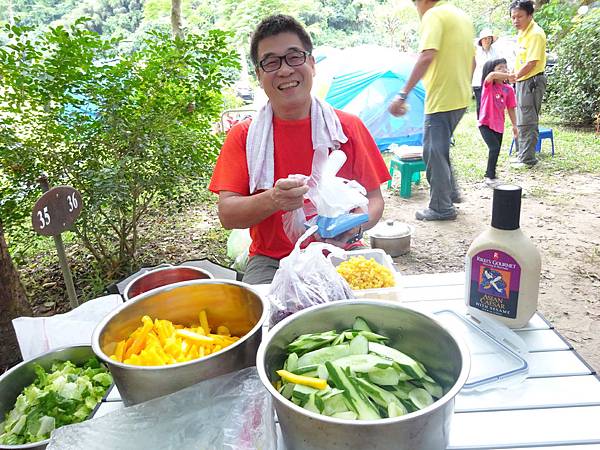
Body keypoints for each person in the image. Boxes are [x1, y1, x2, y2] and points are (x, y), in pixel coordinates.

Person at [209, 14, 390, 284]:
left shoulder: (346, 128)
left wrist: (352, 228)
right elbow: (228, 214)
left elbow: (375, 200)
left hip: (341, 251)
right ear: (259, 75)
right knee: (265, 319)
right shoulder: (243, 136)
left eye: (294, 57)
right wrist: (274, 199)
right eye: (271, 62)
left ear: (312, 64)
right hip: (272, 261)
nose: (284, 70)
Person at [389, 0, 475, 221]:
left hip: (442, 98)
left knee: (432, 151)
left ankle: (441, 207)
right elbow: (473, 61)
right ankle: (450, 192)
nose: (416, 8)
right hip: (460, 95)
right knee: (440, 147)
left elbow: (427, 55)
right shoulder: (461, 16)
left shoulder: (434, 16)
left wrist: (402, 94)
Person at [509, 0, 547, 168]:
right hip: (521, 81)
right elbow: (521, 58)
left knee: (528, 120)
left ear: (530, 15)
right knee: (521, 119)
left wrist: (515, 75)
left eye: (519, 16)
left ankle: (528, 159)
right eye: (513, 17)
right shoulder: (522, 33)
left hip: (531, 81)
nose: (516, 20)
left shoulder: (536, 34)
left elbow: (532, 62)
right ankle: (522, 155)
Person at [478, 58, 518, 187]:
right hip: (485, 123)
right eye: (500, 68)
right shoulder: (488, 86)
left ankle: (491, 175)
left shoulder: (509, 90)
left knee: (496, 150)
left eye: (505, 67)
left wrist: (514, 125)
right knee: (494, 148)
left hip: (499, 126)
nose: (504, 70)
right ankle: (489, 177)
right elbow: (492, 75)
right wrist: (509, 75)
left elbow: (511, 108)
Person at [472, 28, 500, 119]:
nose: (487, 40)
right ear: (481, 41)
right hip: (478, 82)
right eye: (485, 38)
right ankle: (480, 122)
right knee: (480, 104)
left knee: (491, 103)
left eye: (489, 38)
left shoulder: (495, 51)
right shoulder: (477, 52)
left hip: (492, 82)